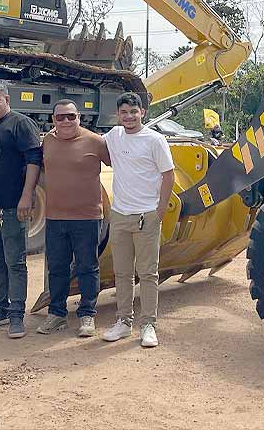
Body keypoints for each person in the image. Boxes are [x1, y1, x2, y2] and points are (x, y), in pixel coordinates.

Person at [101, 92, 175, 348]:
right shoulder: (113, 136)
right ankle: (123, 321)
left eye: (134, 112)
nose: (129, 117)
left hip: (147, 216)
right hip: (120, 216)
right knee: (122, 273)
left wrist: (160, 211)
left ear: (142, 112)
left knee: (147, 273)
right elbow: (89, 141)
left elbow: (168, 175)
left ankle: (148, 324)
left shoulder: (155, 140)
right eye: (124, 112)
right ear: (118, 114)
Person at [0, 81, 42, 339]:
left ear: (6, 99)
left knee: (15, 262)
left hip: (12, 207)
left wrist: (27, 196)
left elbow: (34, 160)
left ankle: (16, 315)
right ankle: (0, 310)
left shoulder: (21, 124)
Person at [37, 100, 109, 337]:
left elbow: (121, 163)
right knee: (57, 268)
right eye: (60, 117)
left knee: (87, 267)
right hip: (55, 217)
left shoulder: (95, 142)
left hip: (87, 218)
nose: (66, 121)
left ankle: (87, 315)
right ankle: (56, 314)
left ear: (79, 117)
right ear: (53, 120)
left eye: (71, 116)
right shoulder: (48, 140)